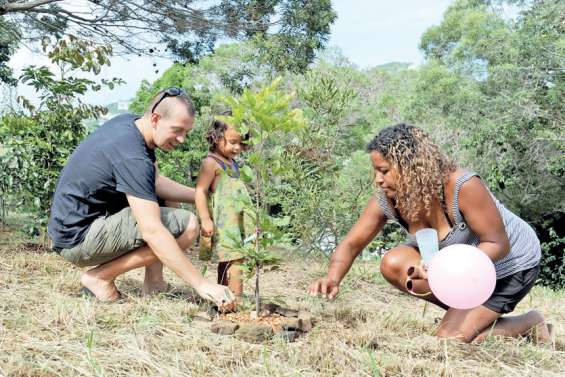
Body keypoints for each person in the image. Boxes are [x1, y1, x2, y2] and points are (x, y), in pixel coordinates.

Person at [308, 123, 550, 343]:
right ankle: (466, 318)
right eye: (375, 171)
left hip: (511, 266)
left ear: (410, 167)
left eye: (384, 171)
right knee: (394, 263)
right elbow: (352, 243)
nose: (377, 180)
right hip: (462, 274)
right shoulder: (388, 199)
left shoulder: (462, 186)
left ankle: (529, 324)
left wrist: (444, 266)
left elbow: (497, 244)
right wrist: (332, 278)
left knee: (449, 339)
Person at [48, 88, 234, 309]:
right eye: (177, 130)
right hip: (79, 238)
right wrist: (202, 284)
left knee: (167, 202)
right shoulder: (133, 155)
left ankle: (154, 283)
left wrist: (205, 196)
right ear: (156, 119)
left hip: (73, 228)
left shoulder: (131, 124)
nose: (182, 139)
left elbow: (154, 183)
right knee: (188, 225)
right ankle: (99, 278)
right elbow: (152, 230)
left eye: (187, 132)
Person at [195, 114, 253, 305]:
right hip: (224, 221)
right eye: (233, 142)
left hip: (238, 219)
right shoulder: (211, 163)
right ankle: (236, 299)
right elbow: (200, 191)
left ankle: (224, 297)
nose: (237, 147)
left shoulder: (232, 162)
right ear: (216, 138)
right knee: (235, 258)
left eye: (241, 143)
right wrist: (205, 219)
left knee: (230, 258)